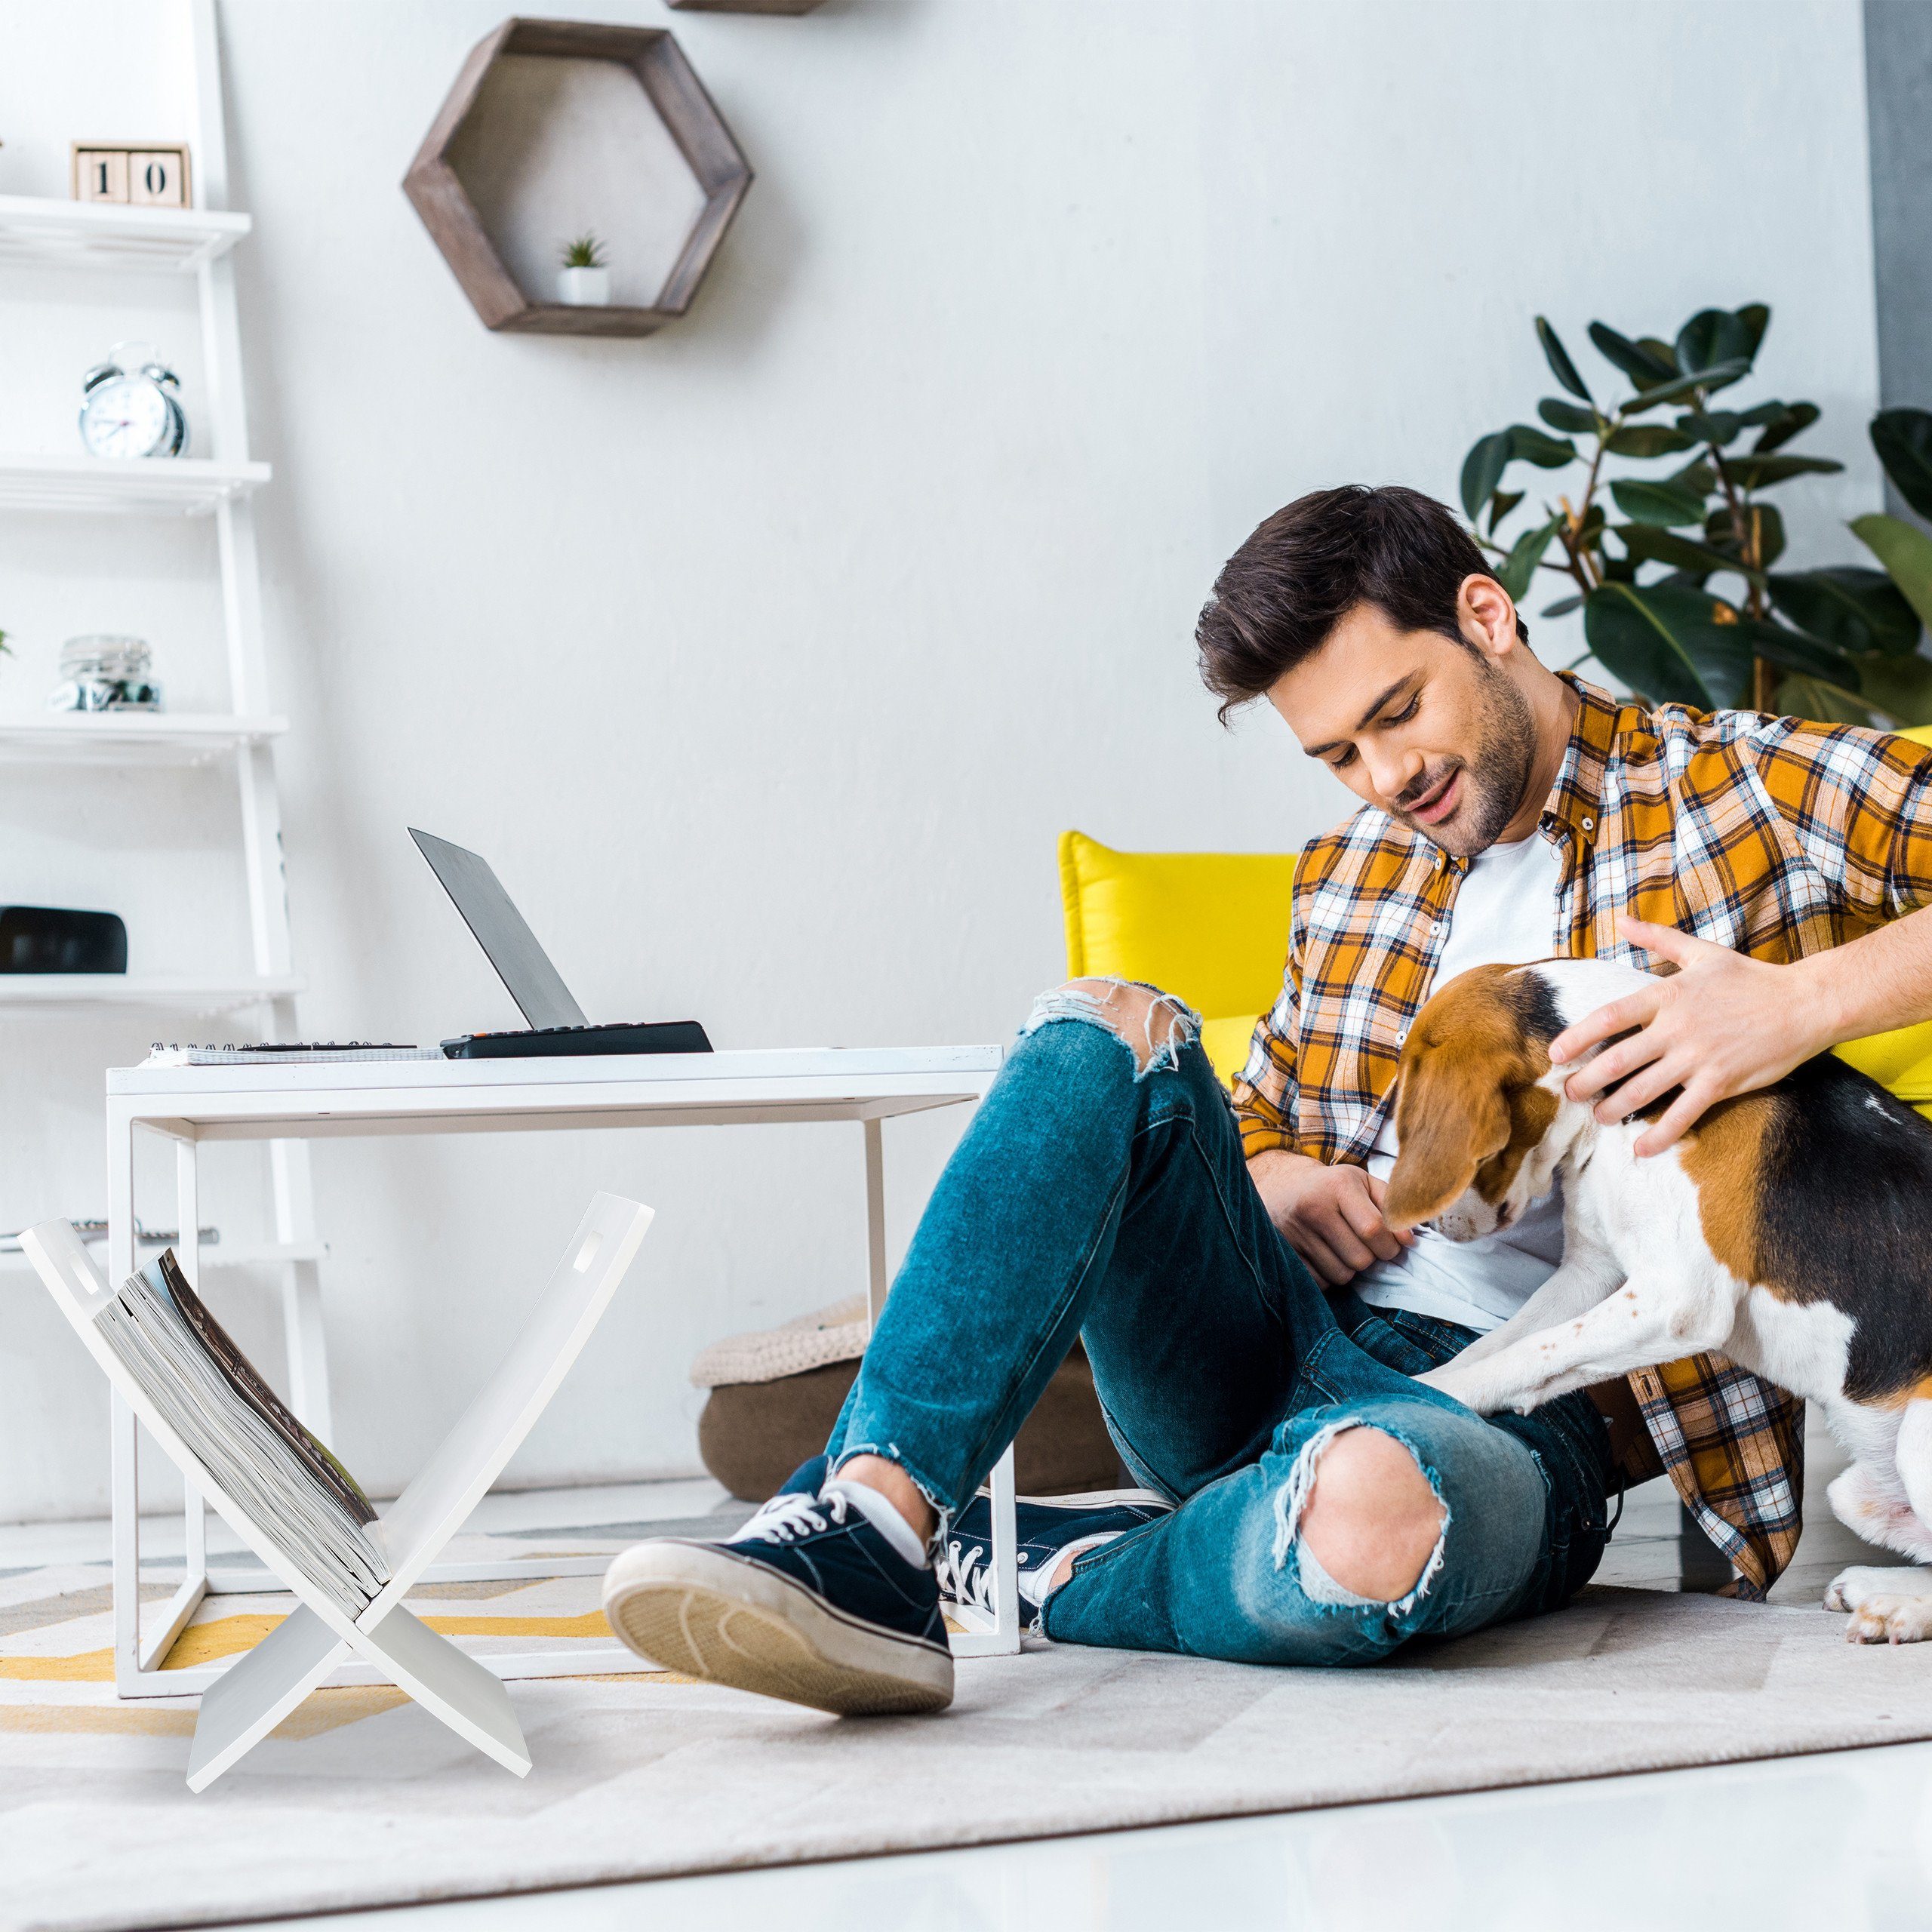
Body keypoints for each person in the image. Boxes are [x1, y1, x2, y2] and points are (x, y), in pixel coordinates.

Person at [602, 483, 1932, 1715]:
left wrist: (1795, 1006)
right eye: (1339, 754)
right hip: (1269, 1333)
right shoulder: (1350, 875)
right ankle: (874, 1525)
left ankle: (1037, 1568)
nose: (1386, 781)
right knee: (1099, 1020)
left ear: (1486, 614)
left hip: (1532, 1418)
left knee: (1368, 1526)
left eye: (1400, 711)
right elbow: (1247, 1116)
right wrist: (1281, 1177)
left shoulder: (1740, 789)